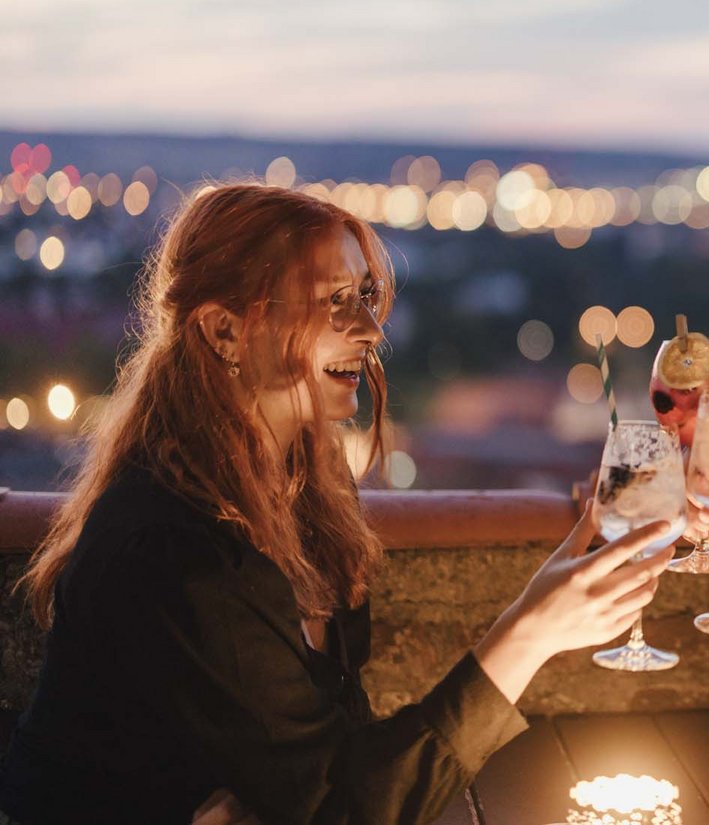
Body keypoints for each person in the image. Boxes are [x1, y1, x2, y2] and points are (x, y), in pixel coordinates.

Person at [0, 183, 672, 825]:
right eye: (333, 301)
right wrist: (530, 632)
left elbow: (332, 762)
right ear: (223, 332)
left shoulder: (307, 482)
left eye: (366, 296)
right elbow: (339, 808)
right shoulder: (177, 545)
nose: (370, 328)